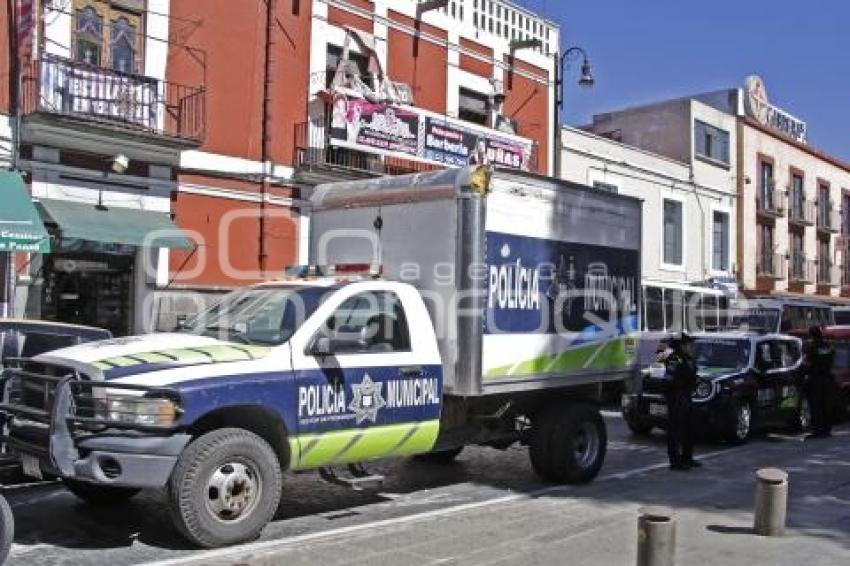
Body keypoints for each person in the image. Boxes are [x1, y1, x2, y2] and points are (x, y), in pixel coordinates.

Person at [663, 333, 701, 470]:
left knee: (689, 429)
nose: (691, 346)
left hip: (686, 396)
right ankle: (675, 462)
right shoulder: (674, 359)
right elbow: (669, 380)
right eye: (688, 344)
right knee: (675, 430)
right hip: (676, 397)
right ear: (681, 345)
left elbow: (692, 375)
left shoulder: (688, 358)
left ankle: (687, 457)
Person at [802, 326, 835, 438]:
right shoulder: (828, 346)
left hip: (815, 380)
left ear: (811, 335)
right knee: (826, 405)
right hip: (827, 379)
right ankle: (827, 430)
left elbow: (807, 364)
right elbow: (832, 359)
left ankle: (818, 431)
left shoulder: (812, 347)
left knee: (816, 406)